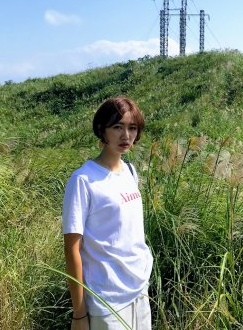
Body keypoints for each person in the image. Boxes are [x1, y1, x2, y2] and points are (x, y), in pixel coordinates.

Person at [62, 96, 153, 330]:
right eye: (117, 127)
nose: (126, 136)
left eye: (132, 128)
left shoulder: (130, 172)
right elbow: (72, 248)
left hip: (139, 289)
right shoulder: (83, 179)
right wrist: (79, 314)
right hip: (106, 298)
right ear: (102, 130)